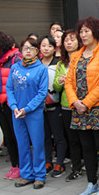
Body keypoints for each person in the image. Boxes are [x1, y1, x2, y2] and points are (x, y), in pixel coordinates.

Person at [65, 17, 99, 195]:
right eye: (81, 31)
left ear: (96, 32)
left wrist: (86, 103)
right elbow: (69, 81)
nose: (83, 35)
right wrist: (75, 102)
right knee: (86, 147)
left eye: (87, 31)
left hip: (97, 108)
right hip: (78, 109)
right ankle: (91, 183)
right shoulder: (76, 55)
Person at [6, 38, 49, 189]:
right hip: (17, 112)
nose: (28, 51)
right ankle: (26, 174)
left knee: (37, 144)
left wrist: (27, 109)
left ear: (37, 51)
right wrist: (14, 106)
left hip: (33, 113)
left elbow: (42, 93)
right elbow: (9, 88)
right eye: (25, 48)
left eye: (32, 48)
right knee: (22, 144)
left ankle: (40, 175)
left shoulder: (41, 69)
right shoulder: (15, 67)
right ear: (21, 51)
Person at [0, 31, 22, 180]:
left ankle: (21, 165)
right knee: (7, 135)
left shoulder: (15, 58)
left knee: (16, 135)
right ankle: (14, 165)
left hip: (11, 103)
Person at [54, 29, 85, 181]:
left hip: (82, 104)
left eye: (72, 39)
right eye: (66, 40)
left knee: (84, 138)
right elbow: (56, 87)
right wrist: (60, 82)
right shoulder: (61, 63)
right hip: (66, 105)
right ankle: (76, 167)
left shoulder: (83, 60)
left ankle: (87, 163)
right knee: (72, 139)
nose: (69, 43)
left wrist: (70, 80)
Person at [39, 35, 67, 177]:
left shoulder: (59, 63)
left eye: (49, 46)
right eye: (43, 45)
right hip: (40, 107)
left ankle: (60, 162)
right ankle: (47, 161)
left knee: (58, 136)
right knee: (44, 136)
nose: (46, 49)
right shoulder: (36, 63)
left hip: (55, 105)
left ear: (54, 48)